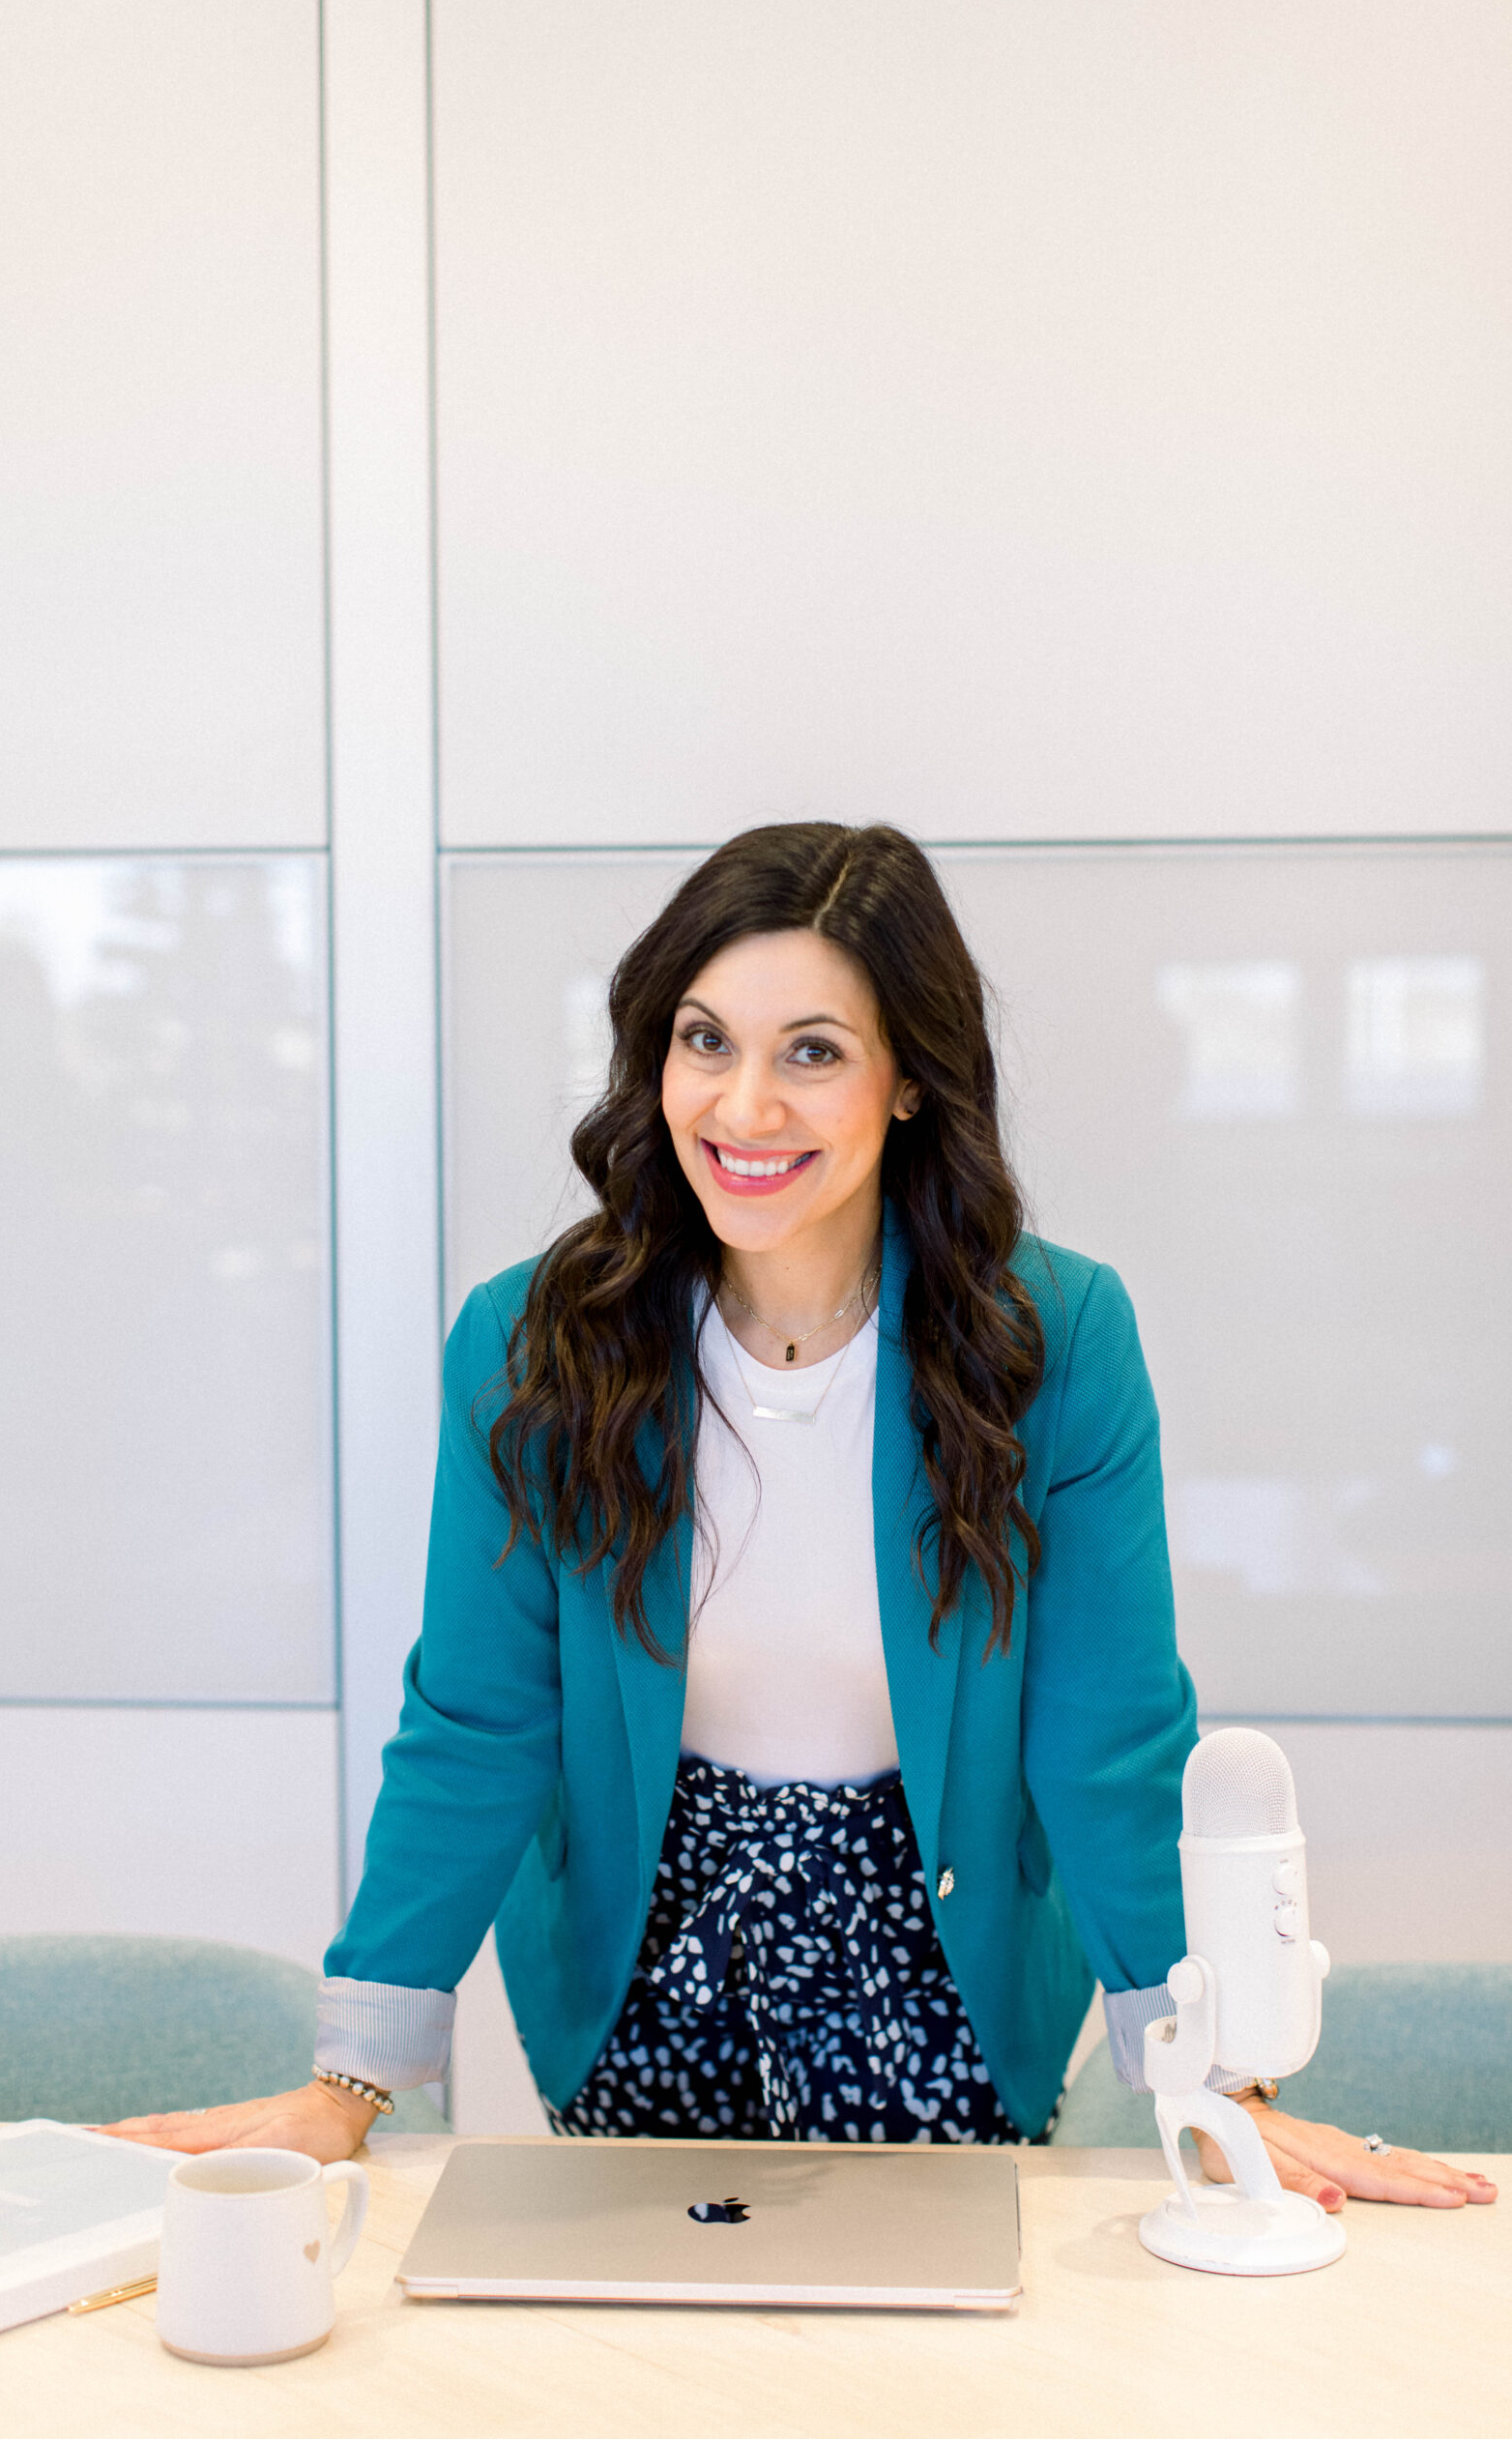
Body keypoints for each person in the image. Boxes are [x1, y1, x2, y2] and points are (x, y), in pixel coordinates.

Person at [104, 823, 1494, 2213]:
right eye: (706, 1041)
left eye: (812, 1051)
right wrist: (348, 2084)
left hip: (940, 1953)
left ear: (906, 1082)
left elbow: (1108, 1739)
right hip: (642, 1944)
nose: (744, 1105)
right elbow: (478, 1724)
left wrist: (1219, 2083)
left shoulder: (1055, 1341)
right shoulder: (531, 1343)